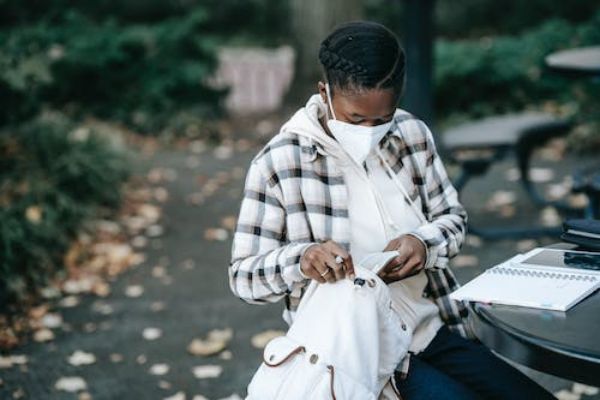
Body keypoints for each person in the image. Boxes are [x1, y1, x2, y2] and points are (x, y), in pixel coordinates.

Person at [229, 21, 555, 399]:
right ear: (324, 92)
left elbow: (453, 219)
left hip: (431, 328)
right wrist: (303, 259)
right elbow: (244, 278)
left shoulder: (411, 134)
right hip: (354, 354)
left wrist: (423, 243)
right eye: (355, 119)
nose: (370, 130)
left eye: (383, 119)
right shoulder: (279, 163)